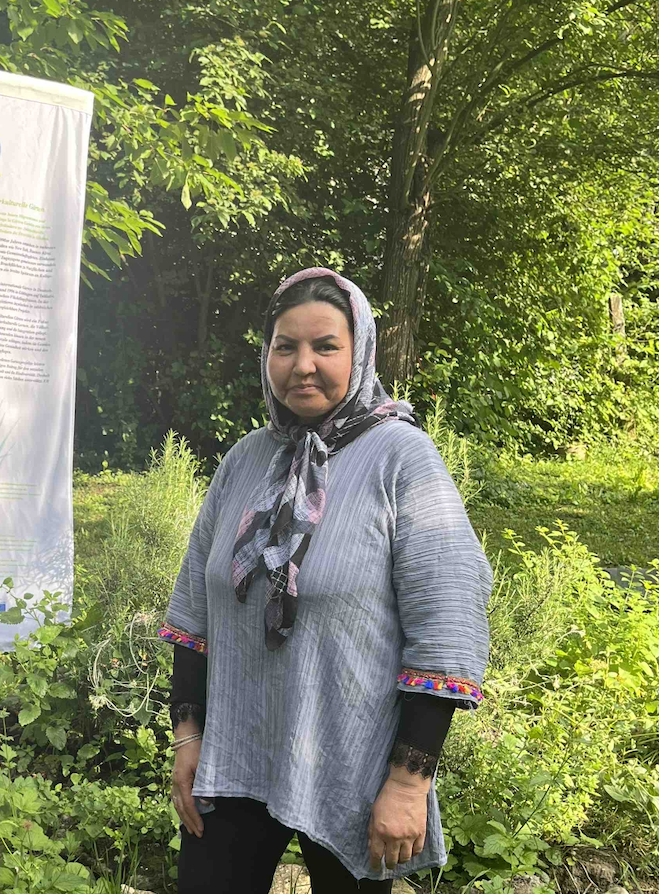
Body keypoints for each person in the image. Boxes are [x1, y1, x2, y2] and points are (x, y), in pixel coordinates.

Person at [162, 267, 491, 892]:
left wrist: (409, 780)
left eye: (325, 347)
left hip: (352, 770)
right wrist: (188, 737)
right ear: (266, 357)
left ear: (360, 351)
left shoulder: (401, 457)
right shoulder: (248, 458)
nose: (302, 365)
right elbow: (194, 614)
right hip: (234, 754)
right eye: (285, 347)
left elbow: (446, 623)